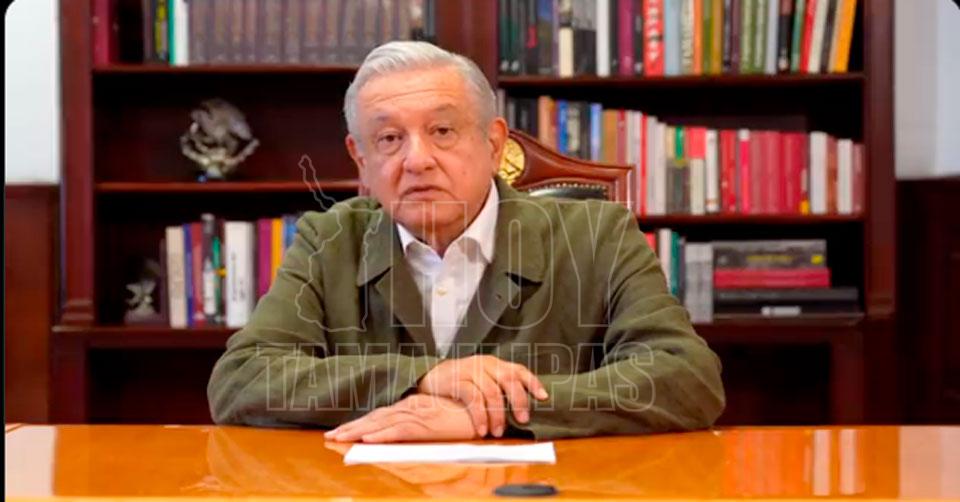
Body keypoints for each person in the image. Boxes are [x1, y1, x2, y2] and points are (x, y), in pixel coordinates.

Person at [207, 41, 724, 442]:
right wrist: (425, 378)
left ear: (494, 144)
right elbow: (242, 380)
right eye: (389, 139)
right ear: (361, 159)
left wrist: (489, 412)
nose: (417, 160)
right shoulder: (330, 239)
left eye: (443, 131)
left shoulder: (599, 236)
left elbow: (686, 378)